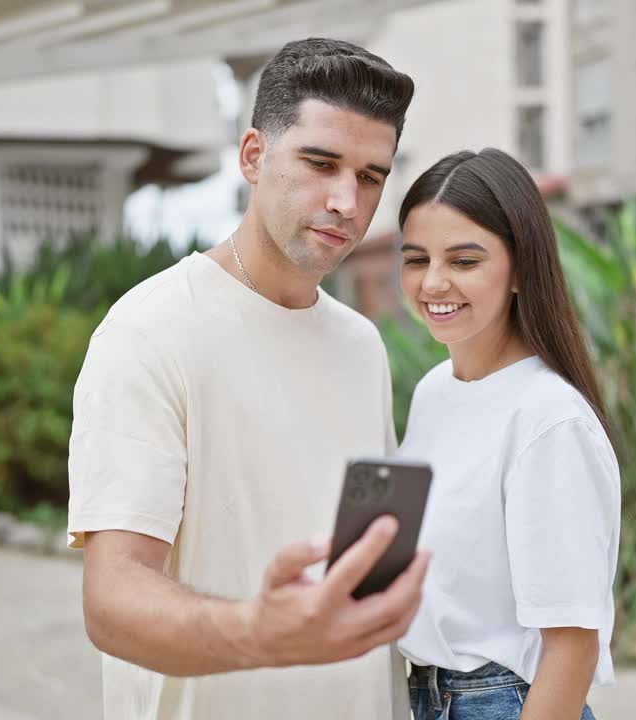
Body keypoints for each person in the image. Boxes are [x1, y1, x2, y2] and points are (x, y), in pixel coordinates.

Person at [66, 38, 427, 720]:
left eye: (372, 175)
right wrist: (261, 632)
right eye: (320, 163)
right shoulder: (149, 329)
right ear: (254, 156)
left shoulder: (361, 345)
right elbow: (111, 601)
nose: (347, 201)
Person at [393, 148, 622, 720]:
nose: (434, 282)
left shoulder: (548, 418)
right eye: (417, 259)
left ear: (520, 268)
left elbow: (572, 647)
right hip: (423, 696)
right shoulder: (432, 392)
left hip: (506, 704)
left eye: (464, 261)